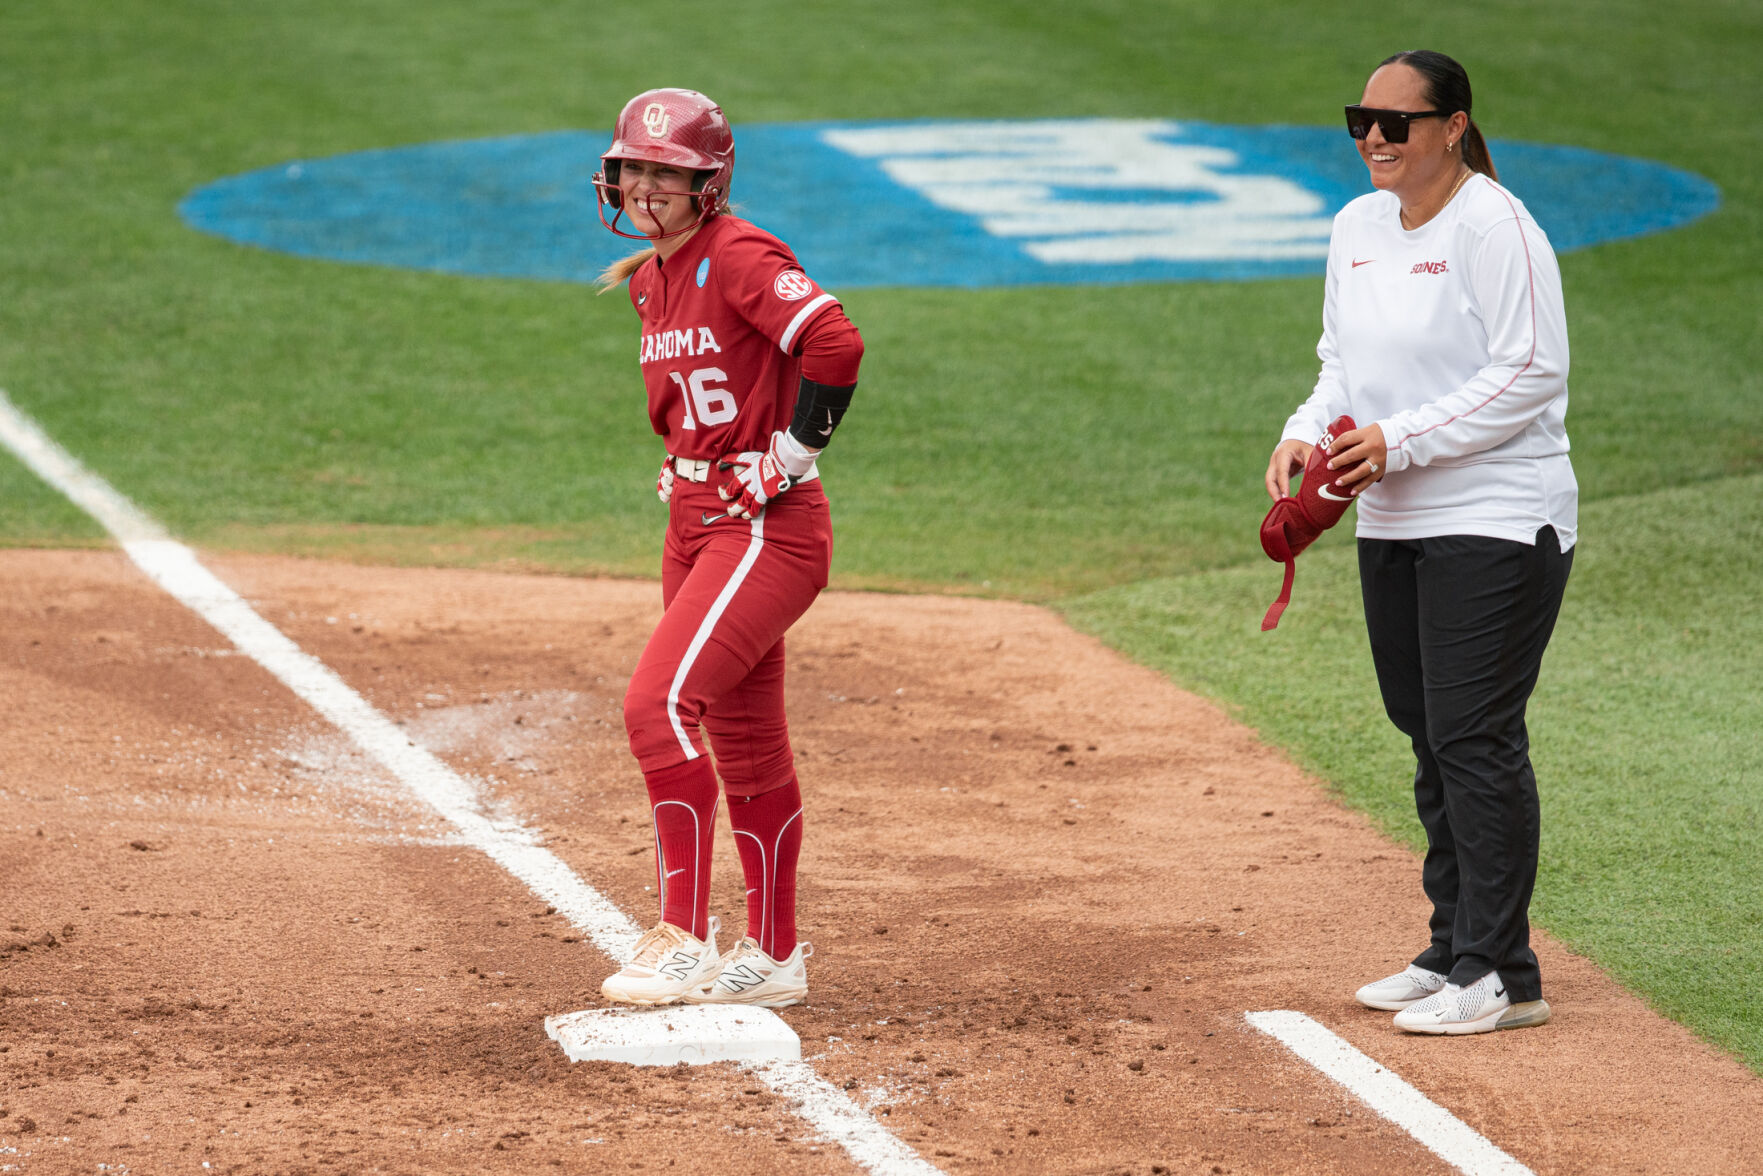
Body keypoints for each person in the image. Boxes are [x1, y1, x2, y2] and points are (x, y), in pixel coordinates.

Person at [1265, 50, 1576, 1035]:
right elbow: (1339, 360)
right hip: (1391, 514)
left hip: (1494, 514)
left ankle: (1497, 973)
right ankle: (1455, 944)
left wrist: (1399, 441)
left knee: (1473, 737)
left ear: (1451, 126)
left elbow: (1528, 372)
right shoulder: (1356, 225)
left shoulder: (1496, 228)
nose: (1374, 138)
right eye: (1361, 118)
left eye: (1397, 123)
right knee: (1425, 730)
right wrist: (1307, 428)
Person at [590, 88, 863, 1009]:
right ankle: (775, 954)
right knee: (746, 745)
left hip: (765, 529)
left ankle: (682, 936)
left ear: (708, 183)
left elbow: (833, 342)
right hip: (697, 526)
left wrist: (786, 454)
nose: (645, 186)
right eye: (635, 168)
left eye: (668, 172)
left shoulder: (736, 254)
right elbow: (715, 396)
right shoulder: (648, 282)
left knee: (655, 707)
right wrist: (686, 465)